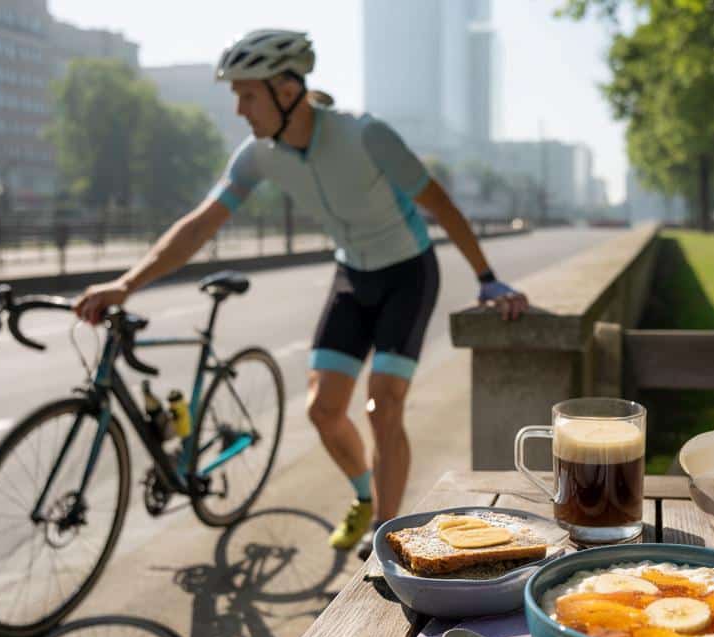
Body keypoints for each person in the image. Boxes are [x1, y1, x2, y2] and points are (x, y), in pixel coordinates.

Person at [74, 29, 529, 558]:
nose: (240, 109)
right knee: (322, 409)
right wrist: (126, 284)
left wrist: (487, 277)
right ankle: (364, 495)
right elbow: (199, 226)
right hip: (352, 274)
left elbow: (440, 203)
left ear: (286, 90)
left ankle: (386, 531)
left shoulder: (365, 135)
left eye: (248, 95)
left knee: (383, 407)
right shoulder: (259, 156)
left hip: (408, 271)